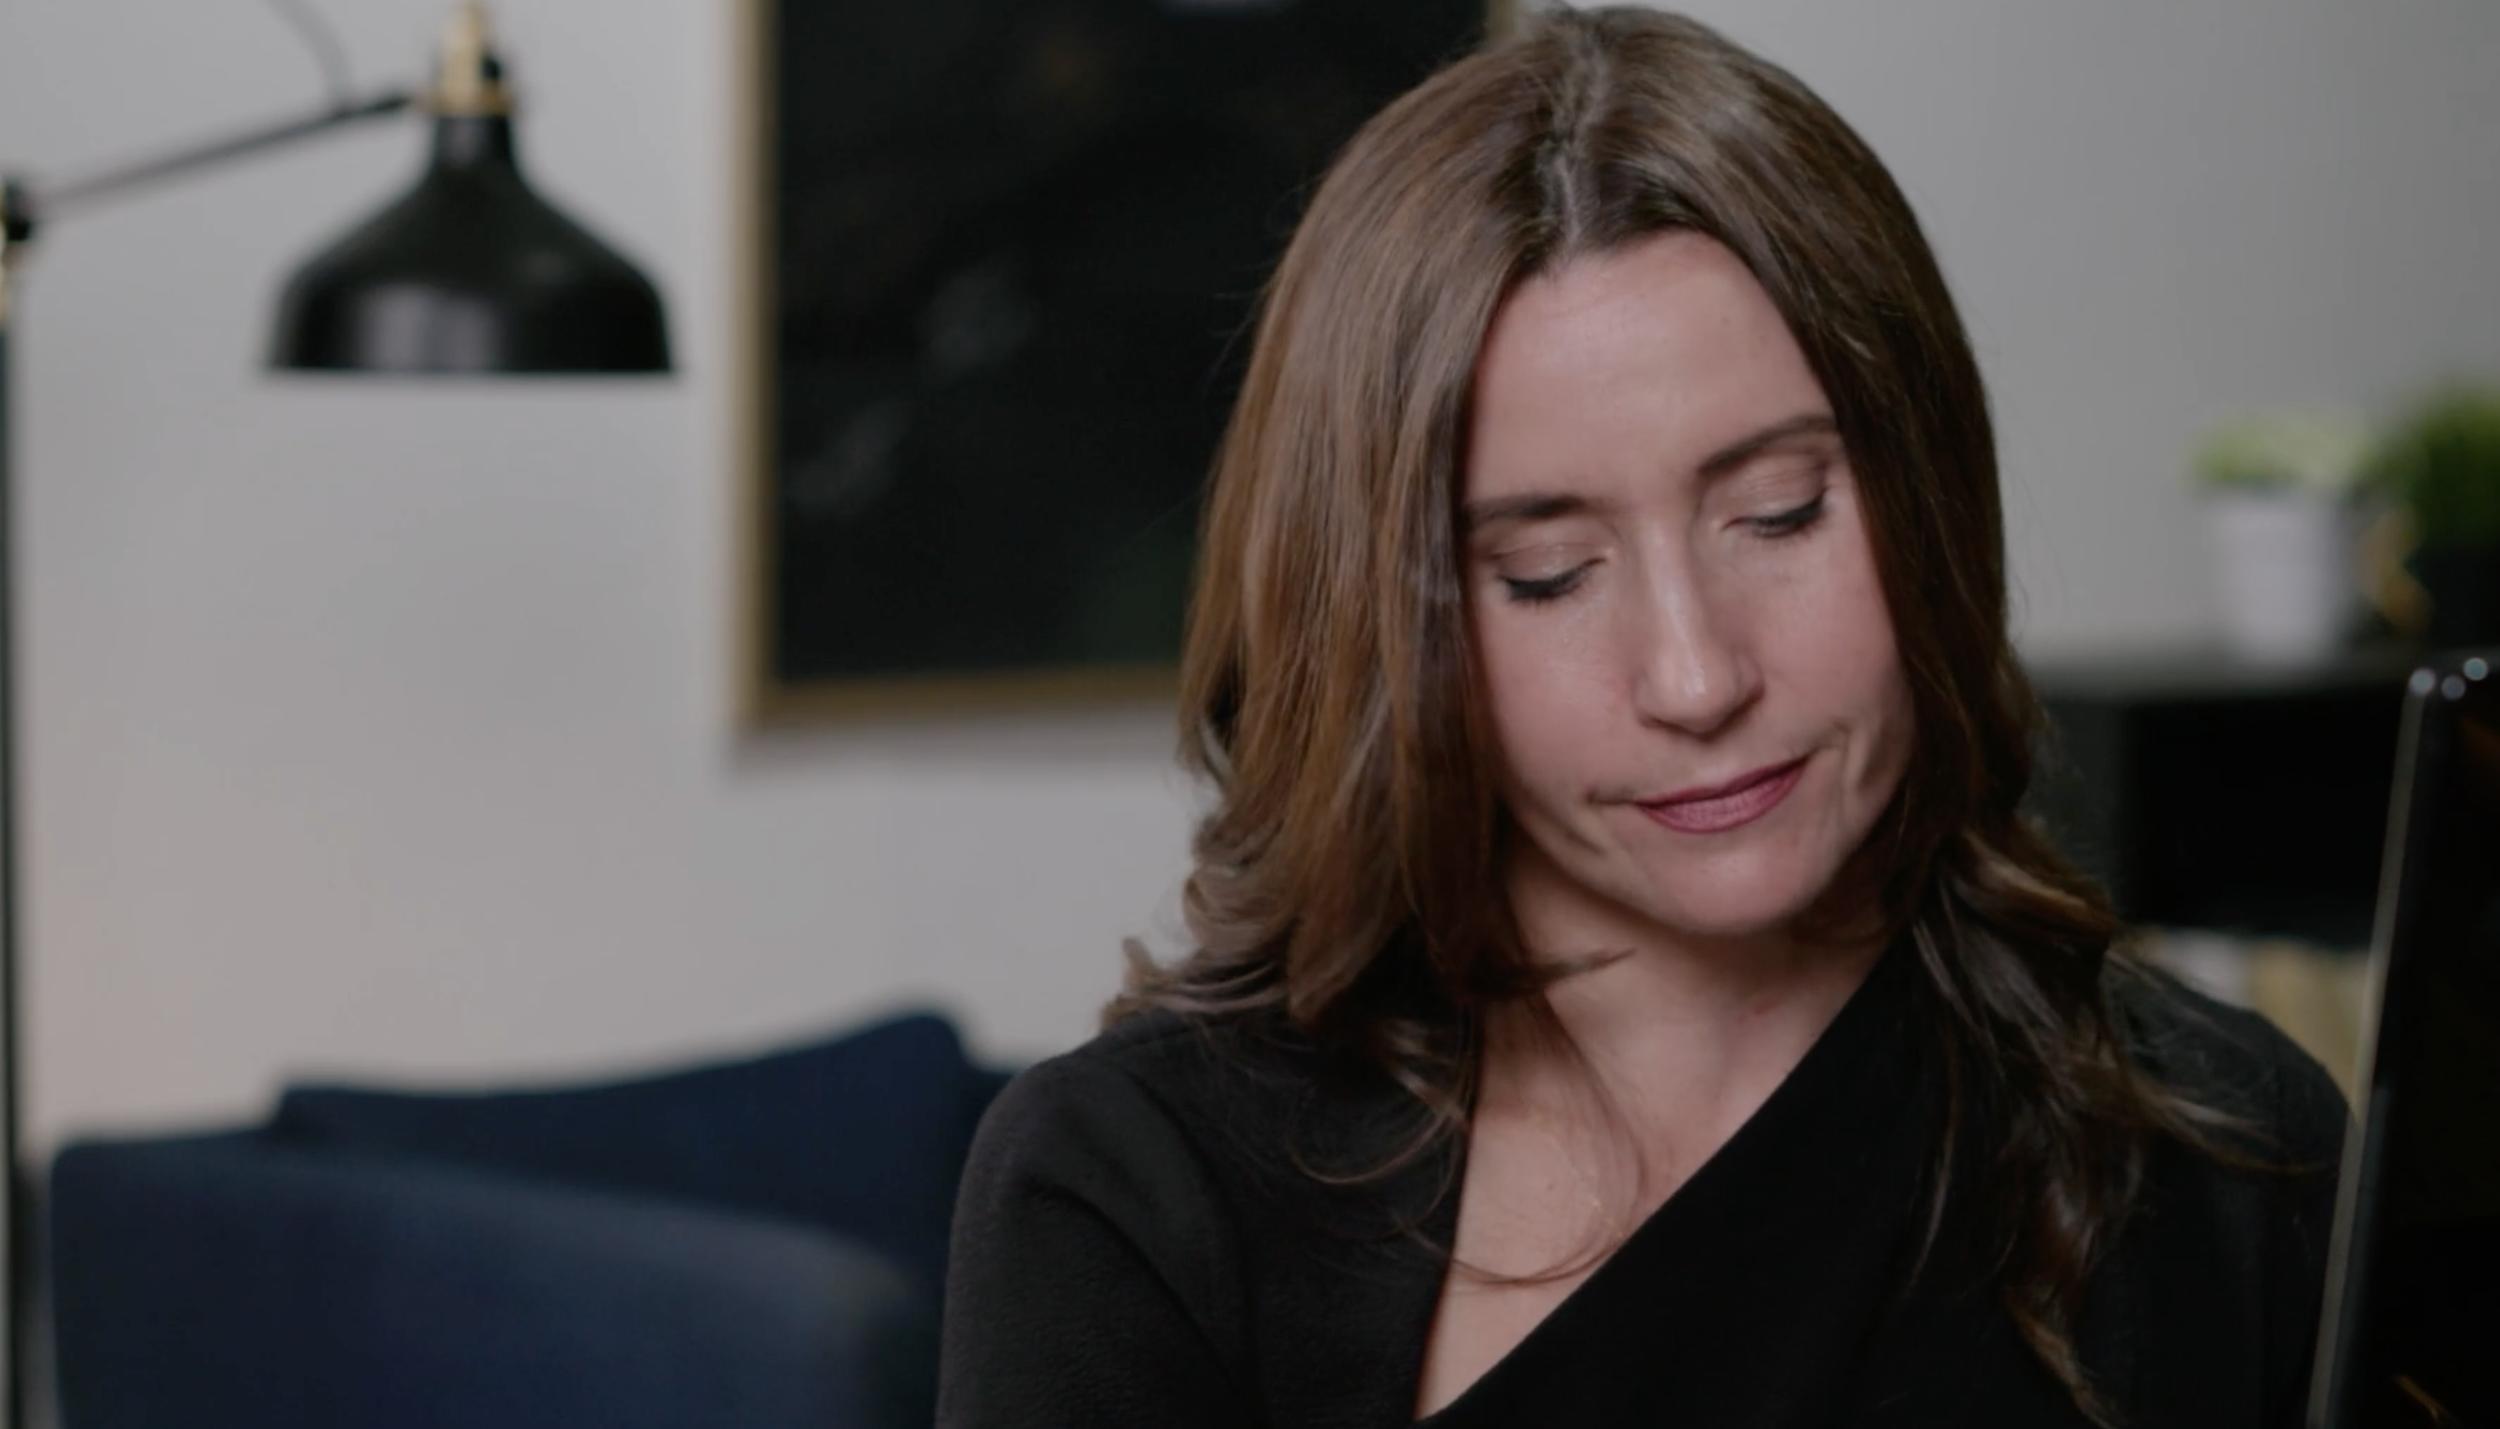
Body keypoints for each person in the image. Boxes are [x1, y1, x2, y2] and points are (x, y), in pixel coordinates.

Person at [936, 9, 2348, 1427]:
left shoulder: (2231, 1155)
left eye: (1778, 513)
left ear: (1932, 494)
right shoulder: (1135, 1197)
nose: (1695, 675)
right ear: (1389, 625)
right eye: (1545, 576)